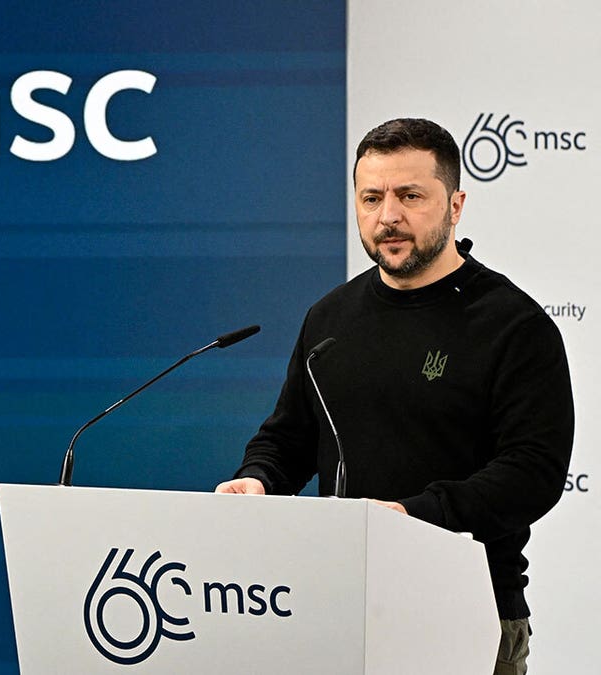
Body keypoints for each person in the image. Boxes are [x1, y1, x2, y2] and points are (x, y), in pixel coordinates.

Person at [215, 118, 573, 675]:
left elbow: (532, 473)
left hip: (465, 611)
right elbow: (290, 437)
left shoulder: (513, 326)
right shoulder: (330, 318)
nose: (388, 216)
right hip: (335, 605)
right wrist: (258, 478)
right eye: (372, 198)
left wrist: (412, 516)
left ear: (455, 206)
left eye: (410, 196)